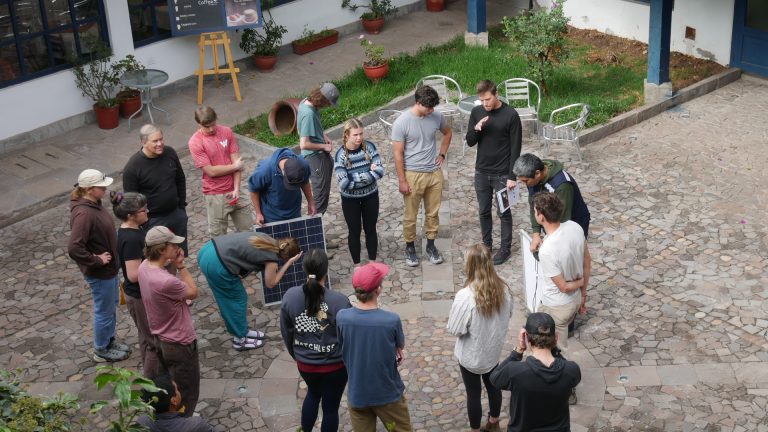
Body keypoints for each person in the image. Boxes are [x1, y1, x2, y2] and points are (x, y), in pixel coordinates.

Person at [280, 249, 352, 432]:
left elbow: (287, 333)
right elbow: (349, 338)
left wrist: (297, 355)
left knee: (312, 395)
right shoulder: (340, 302)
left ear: (304, 269)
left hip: (306, 365)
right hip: (335, 367)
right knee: (330, 409)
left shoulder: (289, 296)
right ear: (326, 270)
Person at [337, 263, 412, 432]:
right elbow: (400, 344)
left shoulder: (342, 317)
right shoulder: (391, 320)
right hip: (388, 396)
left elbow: (342, 344)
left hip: (358, 395)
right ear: (378, 290)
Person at [198, 232, 302, 351]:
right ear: (286, 256)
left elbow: (244, 253)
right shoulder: (271, 258)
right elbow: (271, 283)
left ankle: (242, 331)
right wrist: (289, 263)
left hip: (209, 249)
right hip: (216, 263)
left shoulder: (266, 238)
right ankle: (239, 340)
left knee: (232, 297)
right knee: (235, 300)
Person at [447, 244, 513, 432]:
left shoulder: (466, 296)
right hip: (492, 353)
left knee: (473, 394)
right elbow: (509, 314)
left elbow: (455, 329)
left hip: (471, 356)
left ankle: (475, 430)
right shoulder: (504, 289)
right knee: (493, 387)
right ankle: (494, 422)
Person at [68, 169, 130, 363]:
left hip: (109, 270)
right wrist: (96, 260)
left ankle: (109, 341)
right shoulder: (84, 214)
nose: (105, 189)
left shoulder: (94, 203)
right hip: (100, 273)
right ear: (89, 189)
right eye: (101, 187)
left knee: (110, 308)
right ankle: (101, 349)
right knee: (104, 311)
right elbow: (74, 247)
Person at [139, 226, 200, 416]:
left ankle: (168, 418)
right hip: (179, 341)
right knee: (187, 390)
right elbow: (193, 292)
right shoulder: (166, 282)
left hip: (160, 337)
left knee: (168, 384)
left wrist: (173, 262)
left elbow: (169, 287)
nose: (178, 247)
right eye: (173, 245)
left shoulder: (144, 267)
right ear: (161, 249)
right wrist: (181, 266)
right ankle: (184, 421)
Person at [391, 85, 452, 267]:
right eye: (429, 107)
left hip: (434, 173)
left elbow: (448, 132)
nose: (432, 110)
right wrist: (402, 180)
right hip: (413, 175)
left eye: (433, 107)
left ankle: (431, 246)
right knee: (411, 215)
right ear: (418, 103)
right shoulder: (402, 123)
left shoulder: (436, 116)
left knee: (433, 213)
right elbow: (397, 154)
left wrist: (442, 154)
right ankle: (410, 248)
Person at [490, 312, 581, 432]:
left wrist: (518, 351)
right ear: (556, 337)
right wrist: (554, 349)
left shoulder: (515, 372)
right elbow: (567, 368)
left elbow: (494, 378)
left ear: (526, 337)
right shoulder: (571, 370)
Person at [465, 80, 522, 266]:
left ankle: (505, 248)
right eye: (482, 100)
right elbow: (470, 141)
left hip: (502, 174)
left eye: (488, 99)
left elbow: (516, 148)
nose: (485, 104)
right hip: (481, 172)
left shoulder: (511, 115)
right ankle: (487, 245)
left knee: (503, 212)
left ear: (496, 94)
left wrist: (512, 177)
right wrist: (476, 129)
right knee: (483, 211)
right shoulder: (477, 112)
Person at [532, 192, 591, 348]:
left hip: (556, 307)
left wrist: (580, 282)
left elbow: (563, 287)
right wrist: (583, 294)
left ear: (541, 216)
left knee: (554, 350)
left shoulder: (547, 251)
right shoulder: (575, 227)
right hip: (575, 300)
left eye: (535, 211)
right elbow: (587, 261)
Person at [112, 191, 161, 377]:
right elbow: (133, 275)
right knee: (152, 342)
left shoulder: (133, 230)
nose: (147, 211)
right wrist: (157, 263)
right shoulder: (131, 238)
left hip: (140, 294)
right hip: (139, 295)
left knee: (146, 337)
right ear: (130, 215)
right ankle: (152, 381)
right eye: (143, 210)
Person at [123, 124, 189, 254]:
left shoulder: (170, 153)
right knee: (160, 258)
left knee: (179, 255)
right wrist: (145, 223)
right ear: (144, 142)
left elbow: (180, 179)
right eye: (155, 141)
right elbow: (131, 201)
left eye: (161, 139)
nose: (160, 144)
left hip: (176, 214)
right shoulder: (133, 167)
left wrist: (181, 207)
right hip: (153, 221)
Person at [188, 105, 251, 237]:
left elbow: (237, 161)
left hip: (235, 191)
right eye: (206, 127)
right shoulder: (195, 142)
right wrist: (235, 166)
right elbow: (211, 171)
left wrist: (236, 188)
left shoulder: (227, 131)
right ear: (198, 124)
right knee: (219, 237)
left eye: (213, 124)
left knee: (249, 232)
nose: (211, 129)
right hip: (215, 195)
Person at [513, 153, 591, 254]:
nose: (524, 184)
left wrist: (549, 243)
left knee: (572, 255)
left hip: (572, 224)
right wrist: (536, 234)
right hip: (553, 224)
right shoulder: (532, 177)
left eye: (525, 181)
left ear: (537, 173)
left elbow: (563, 220)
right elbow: (534, 206)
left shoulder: (562, 185)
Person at [333, 118, 385, 264]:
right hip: (350, 200)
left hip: (371, 196)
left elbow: (380, 171)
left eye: (361, 133)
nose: (359, 138)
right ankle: (357, 265)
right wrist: (369, 174)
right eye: (355, 135)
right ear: (346, 135)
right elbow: (344, 183)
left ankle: (372, 263)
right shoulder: (340, 155)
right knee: (354, 232)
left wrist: (353, 177)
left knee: (371, 229)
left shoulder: (369, 147)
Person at [298, 82, 340, 216]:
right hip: (314, 157)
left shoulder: (306, 101)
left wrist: (324, 136)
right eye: (328, 103)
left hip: (320, 156)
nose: (328, 106)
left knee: (323, 191)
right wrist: (323, 146)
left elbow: (314, 127)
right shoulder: (308, 114)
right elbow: (304, 144)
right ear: (323, 100)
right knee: (320, 196)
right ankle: (314, 223)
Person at [247, 147, 316, 225]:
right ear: (283, 171)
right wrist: (258, 213)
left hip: (294, 211)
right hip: (272, 214)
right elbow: (253, 190)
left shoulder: (303, 165)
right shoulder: (264, 171)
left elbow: (305, 182)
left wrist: (311, 202)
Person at [137, 373, 214, 432]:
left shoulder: (142, 422)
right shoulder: (197, 425)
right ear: (174, 401)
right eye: (177, 390)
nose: (179, 392)